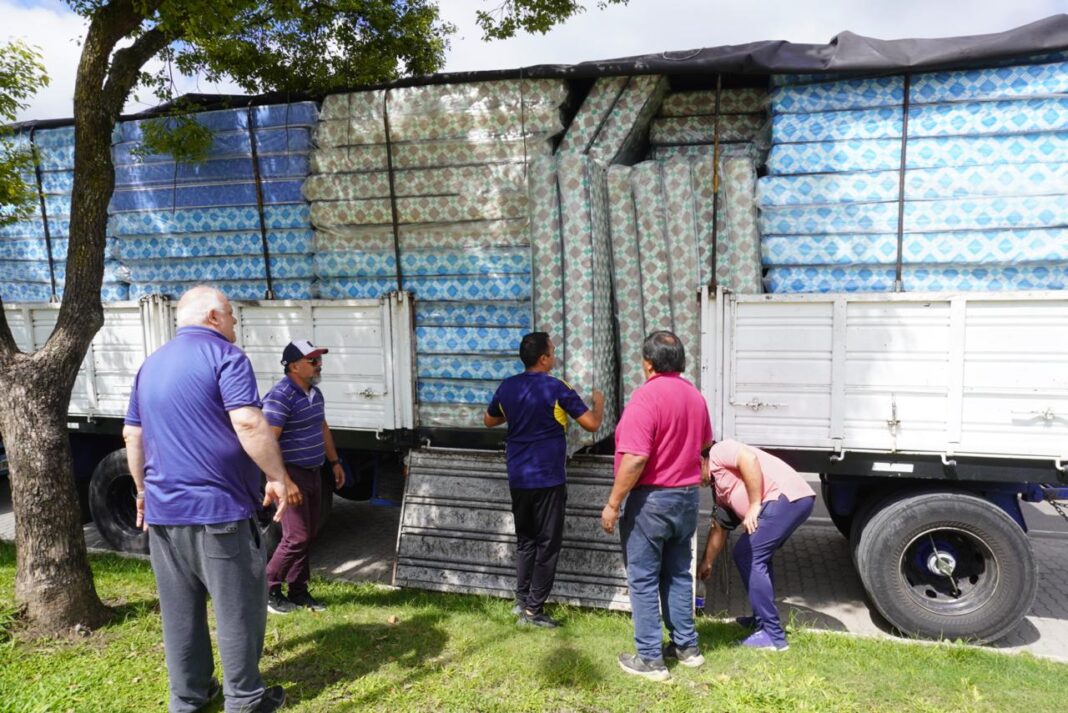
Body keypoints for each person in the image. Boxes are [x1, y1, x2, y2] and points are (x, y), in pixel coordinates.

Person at [123, 285, 292, 712]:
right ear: (213, 316)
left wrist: (142, 492)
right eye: (231, 313)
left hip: (164, 515)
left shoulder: (150, 365)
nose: (235, 321)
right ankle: (245, 699)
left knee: (179, 613)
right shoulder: (225, 356)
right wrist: (277, 476)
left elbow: (132, 435)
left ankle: (189, 698)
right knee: (238, 609)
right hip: (219, 512)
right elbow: (249, 423)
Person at [601, 331, 712, 682]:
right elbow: (705, 443)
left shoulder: (645, 399)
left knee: (644, 577)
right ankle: (687, 647)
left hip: (652, 500)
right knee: (678, 572)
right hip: (686, 497)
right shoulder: (695, 397)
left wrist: (613, 503)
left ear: (648, 363)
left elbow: (635, 458)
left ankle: (650, 658)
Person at [484, 331, 605, 628]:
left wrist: (517, 413)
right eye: (552, 351)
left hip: (518, 477)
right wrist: (599, 403)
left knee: (526, 540)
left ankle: (521, 601)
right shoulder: (556, 387)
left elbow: (489, 420)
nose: (555, 355)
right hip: (548, 479)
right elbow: (591, 424)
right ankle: (533, 612)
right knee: (547, 544)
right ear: (543, 358)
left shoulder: (508, 386)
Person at [697, 439, 816, 651]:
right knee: (757, 556)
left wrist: (754, 504)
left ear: (700, 461)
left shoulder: (718, 451)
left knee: (746, 555)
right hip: (785, 501)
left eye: (692, 474)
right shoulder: (719, 486)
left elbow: (748, 459)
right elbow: (720, 527)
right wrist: (707, 562)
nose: (695, 482)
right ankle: (761, 619)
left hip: (786, 498)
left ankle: (773, 635)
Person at [263, 339, 346, 614]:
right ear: (294, 366)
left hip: (314, 471)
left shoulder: (314, 393)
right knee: (296, 537)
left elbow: (322, 427)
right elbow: (268, 442)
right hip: (291, 474)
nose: (319, 364)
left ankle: (298, 592)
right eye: (313, 361)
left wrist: (334, 462)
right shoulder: (281, 395)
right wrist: (283, 480)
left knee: (308, 535)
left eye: (319, 359)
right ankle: (266, 588)